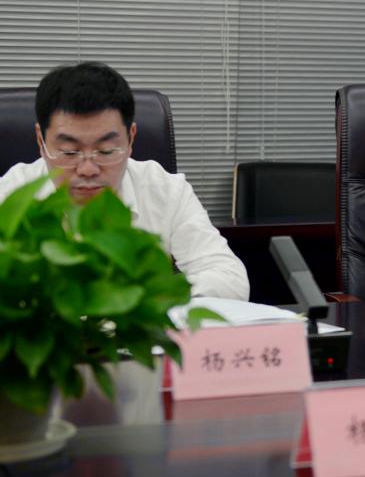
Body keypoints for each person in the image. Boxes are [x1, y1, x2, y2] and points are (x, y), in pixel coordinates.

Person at [0, 62, 249, 300]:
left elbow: (230, 279)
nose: (87, 169)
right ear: (40, 140)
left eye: (106, 151)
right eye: (69, 152)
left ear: (131, 138)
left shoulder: (164, 189)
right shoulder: (12, 193)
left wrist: (138, 301)